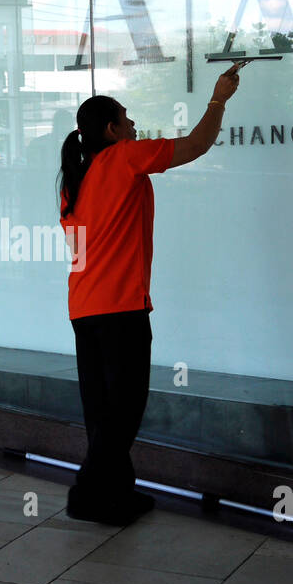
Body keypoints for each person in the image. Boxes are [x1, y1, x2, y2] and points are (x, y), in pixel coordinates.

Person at [57, 64, 245, 525]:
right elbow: (197, 145)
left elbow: (82, 246)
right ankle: (86, 496)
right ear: (111, 129)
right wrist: (219, 99)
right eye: (127, 118)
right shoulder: (123, 158)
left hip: (84, 307)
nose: (134, 125)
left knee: (102, 411)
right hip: (120, 308)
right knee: (123, 411)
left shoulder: (73, 180)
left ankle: (116, 495)